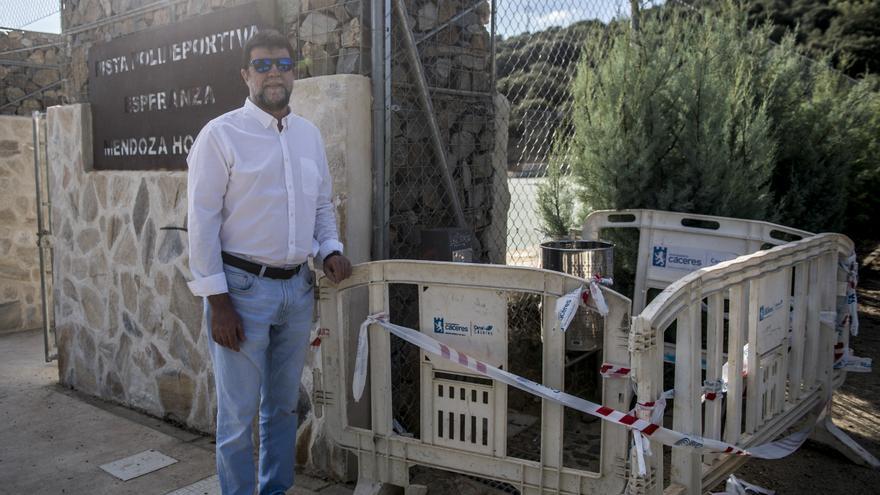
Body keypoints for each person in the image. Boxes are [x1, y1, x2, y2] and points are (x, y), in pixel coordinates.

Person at [186, 29, 352, 495]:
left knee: (282, 409)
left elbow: (319, 207)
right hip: (240, 293)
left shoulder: (308, 135)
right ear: (246, 75)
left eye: (282, 64)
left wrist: (329, 249)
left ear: (294, 71)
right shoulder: (220, 136)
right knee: (238, 420)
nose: (273, 73)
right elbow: (201, 222)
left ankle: (274, 490)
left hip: (296, 292)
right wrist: (218, 302)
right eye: (262, 65)